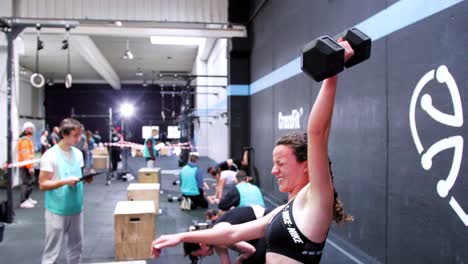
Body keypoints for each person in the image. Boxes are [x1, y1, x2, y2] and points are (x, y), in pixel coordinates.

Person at [151, 38, 355, 264]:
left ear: (306, 165)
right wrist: (180, 236)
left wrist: (332, 73)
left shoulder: (317, 200)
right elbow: (231, 234)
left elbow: (317, 133)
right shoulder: (284, 210)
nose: (273, 171)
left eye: (281, 164)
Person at [39, 118, 94, 264]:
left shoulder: (78, 154)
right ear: (64, 134)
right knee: (52, 252)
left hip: (76, 208)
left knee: (76, 248)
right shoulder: (50, 155)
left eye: (80, 135)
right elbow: (43, 184)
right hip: (57, 210)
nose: (79, 138)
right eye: (75, 135)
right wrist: (64, 182)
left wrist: (85, 179)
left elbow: (77, 176)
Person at [183, 205, 270, 264]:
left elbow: (251, 250)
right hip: (255, 230)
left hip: (267, 219)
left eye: (200, 254)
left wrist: (239, 260)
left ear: (201, 244)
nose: (204, 256)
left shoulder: (219, 234)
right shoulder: (216, 243)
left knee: (249, 260)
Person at [17, 122, 37, 209]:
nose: (32, 130)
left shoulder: (27, 139)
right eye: (30, 128)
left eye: (32, 128)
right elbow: (25, 155)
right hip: (25, 166)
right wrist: (29, 167)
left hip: (28, 165)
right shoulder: (24, 140)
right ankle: (23, 201)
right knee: (26, 183)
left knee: (30, 182)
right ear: (26, 129)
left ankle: (27, 198)